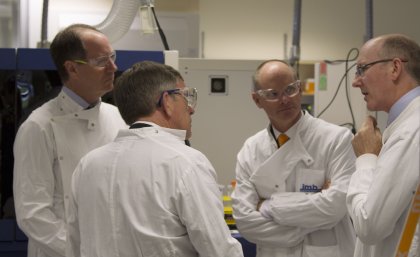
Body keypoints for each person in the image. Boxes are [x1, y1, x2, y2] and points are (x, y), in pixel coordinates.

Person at [65, 61, 244, 257]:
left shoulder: (88, 165)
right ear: (166, 102)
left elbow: (74, 245)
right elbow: (219, 250)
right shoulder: (184, 162)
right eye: (186, 97)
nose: (191, 109)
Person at [13, 23, 126, 257]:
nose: (113, 67)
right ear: (72, 68)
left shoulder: (118, 118)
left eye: (113, 57)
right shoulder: (39, 127)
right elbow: (32, 214)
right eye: (101, 61)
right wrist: (83, 250)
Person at [231, 59, 356, 257]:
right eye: (273, 94)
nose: (285, 99)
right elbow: (245, 222)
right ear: (256, 100)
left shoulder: (336, 139)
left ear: (300, 89)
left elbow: (335, 207)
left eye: (290, 89)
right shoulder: (251, 150)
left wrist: (268, 206)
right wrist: (311, 218)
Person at [346, 34, 420, 257]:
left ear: (395, 68)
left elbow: (369, 226)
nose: (355, 81)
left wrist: (366, 158)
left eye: (362, 69)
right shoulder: (405, 125)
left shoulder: (411, 131)